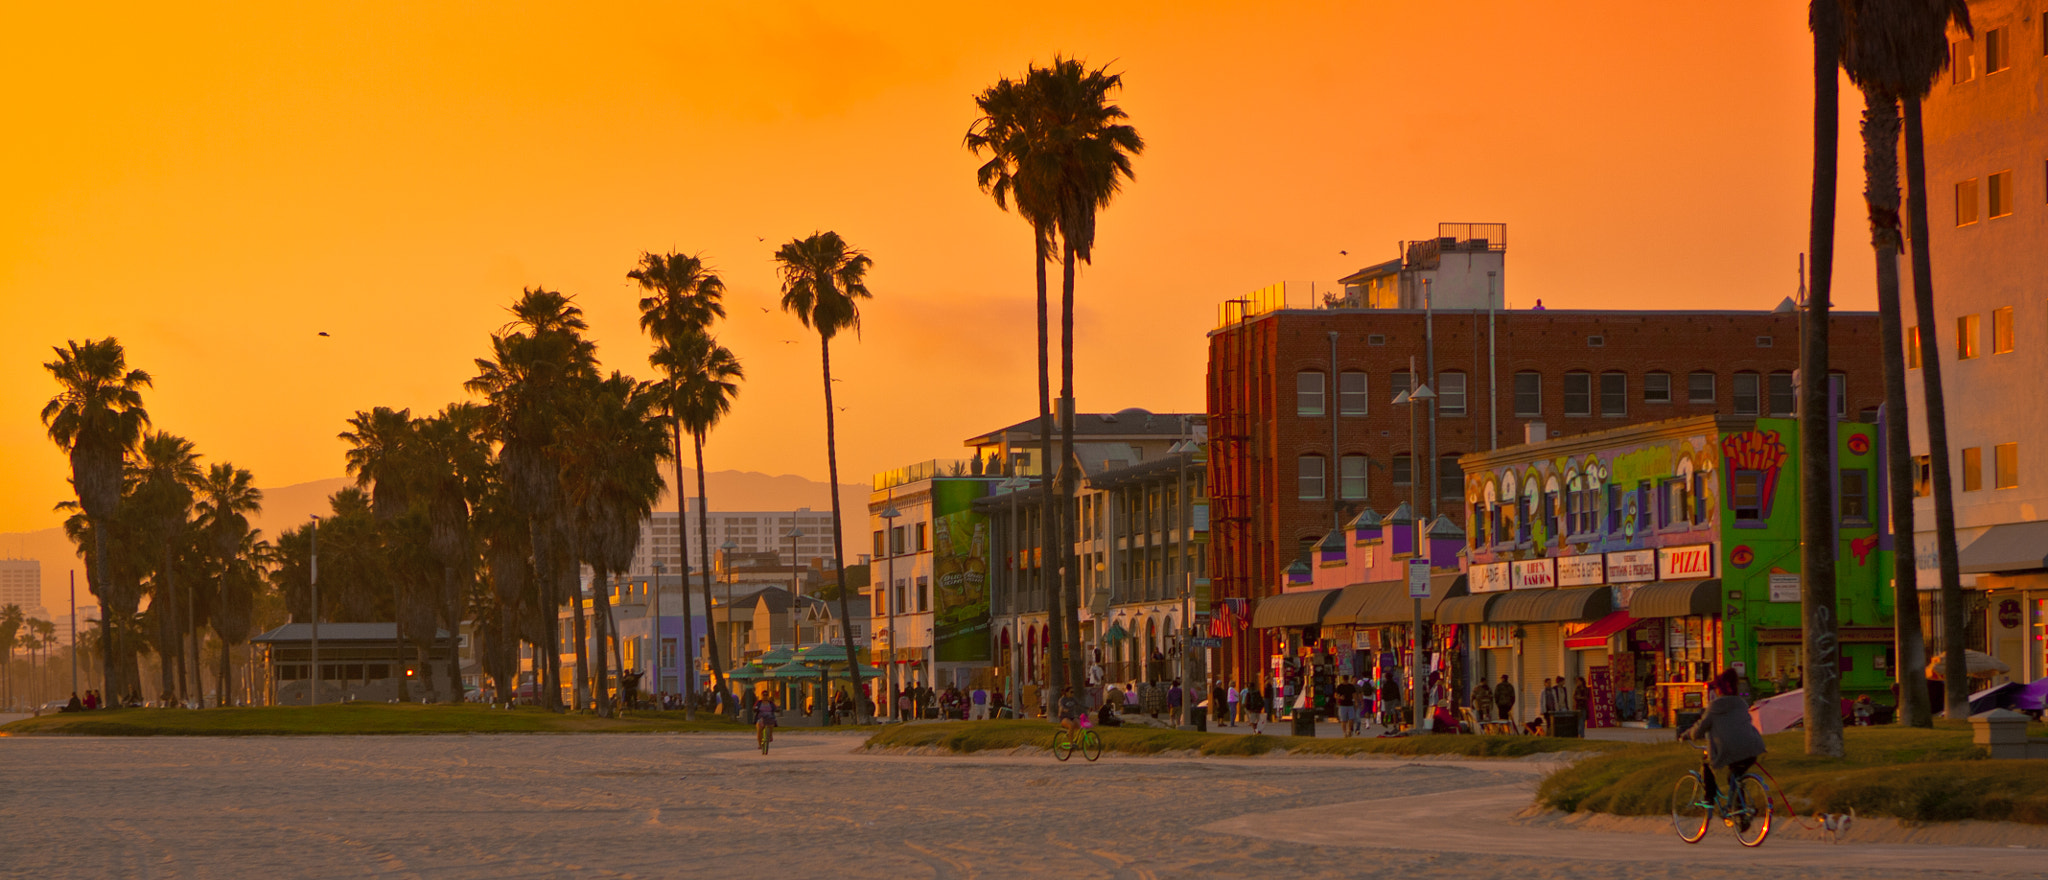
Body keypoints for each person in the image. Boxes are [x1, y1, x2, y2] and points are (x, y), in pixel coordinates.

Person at [1680, 669, 1766, 812]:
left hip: (1731, 749)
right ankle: (1740, 813)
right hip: (1752, 747)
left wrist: (1686, 735)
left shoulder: (1715, 707)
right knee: (1736, 777)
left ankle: (1709, 798)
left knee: (1707, 764)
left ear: (1720, 689)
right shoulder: (1741, 704)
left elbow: (1699, 728)